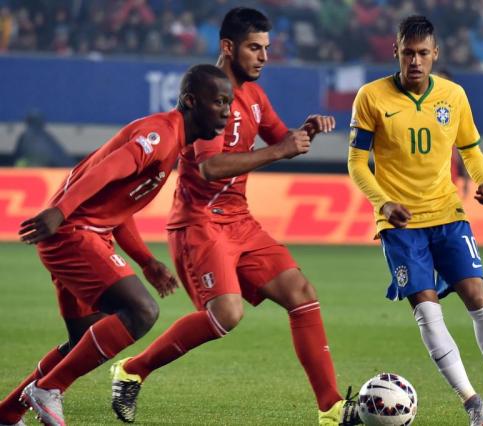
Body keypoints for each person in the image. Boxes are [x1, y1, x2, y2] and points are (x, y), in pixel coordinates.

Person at [109, 8, 359, 426]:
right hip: (200, 224)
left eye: (266, 48)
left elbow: (281, 138)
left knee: (302, 293)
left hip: (240, 221)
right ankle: (133, 369)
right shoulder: (212, 96)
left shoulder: (256, 97)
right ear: (228, 47)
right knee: (227, 315)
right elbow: (209, 167)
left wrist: (307, 131)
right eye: (254, 48)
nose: (263, 56)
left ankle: (331, 408)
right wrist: (279, 150)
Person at [0, 64, 232, 426]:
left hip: (79, 233)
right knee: (142, 312)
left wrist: (145, 260)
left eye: (229, 102)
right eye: (218, 101)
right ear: (190, 100)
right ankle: (49, 388)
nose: (226, 110)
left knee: (81, 340)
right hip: (74, 235)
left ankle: (8, 412)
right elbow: (106, 170)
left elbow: (116, 204)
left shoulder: (170, 141)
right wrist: (59, 212)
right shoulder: (161, 135)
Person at [347, 16, 483, 426]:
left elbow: (470, 148)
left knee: (478, 298)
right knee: (428, 314)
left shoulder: (453, 95)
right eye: (407, 52)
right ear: (395, 50)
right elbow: (357, 162)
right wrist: (383, 202)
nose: (414, 61)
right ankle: (473, 405)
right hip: (399, 225)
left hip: (447, 214)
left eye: (422, 53)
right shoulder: (371, 97)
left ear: (435, 54)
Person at [435, 68, 470, 197]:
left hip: (448, 172)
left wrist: (466, 180)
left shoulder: (456, 111)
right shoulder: (420, 107)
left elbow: (466, 147)